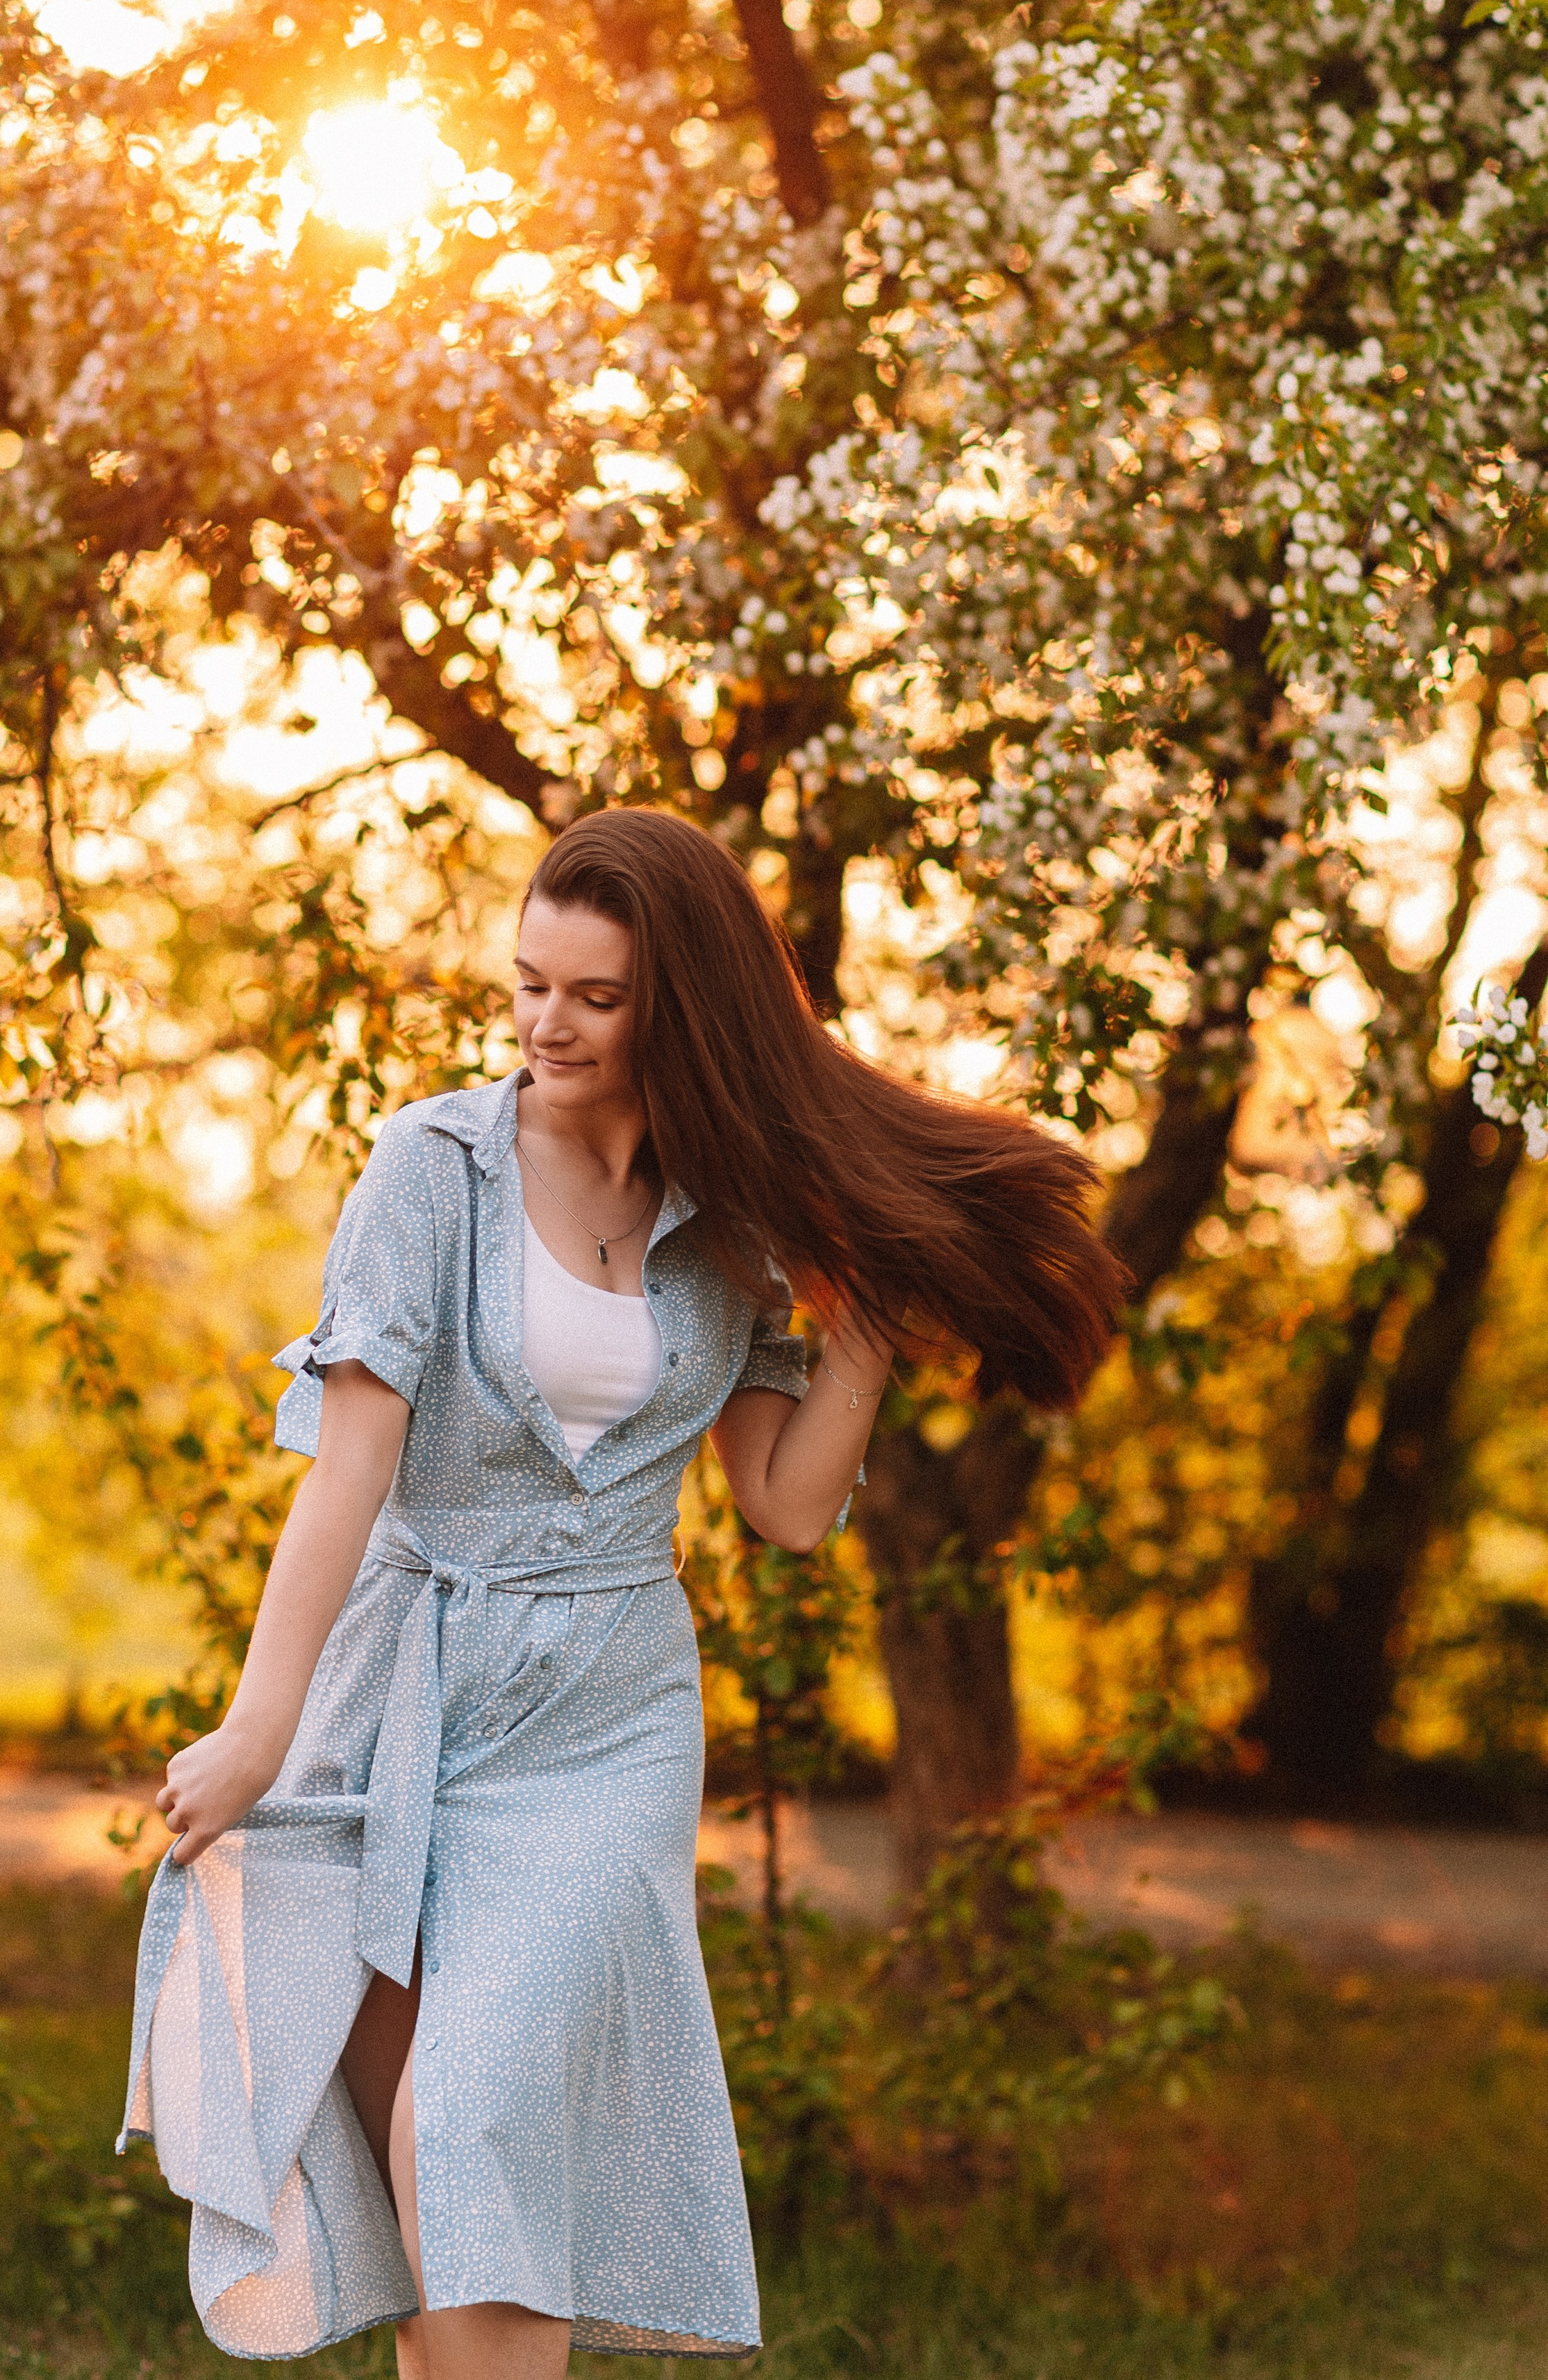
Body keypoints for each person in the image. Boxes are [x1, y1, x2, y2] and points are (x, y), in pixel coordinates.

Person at [118, 807, 1125, 2372]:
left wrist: (865, 1317)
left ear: (684, 1010)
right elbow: (350, 1471)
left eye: (595, 997)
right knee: (419, 2191)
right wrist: (260, 1729)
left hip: (605, 1716)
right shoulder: (430, 1172)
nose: (547, 1024)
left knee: (476, 2115)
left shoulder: (730, 1220)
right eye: (530, 984)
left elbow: (784, 1506)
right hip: (399, 1697)